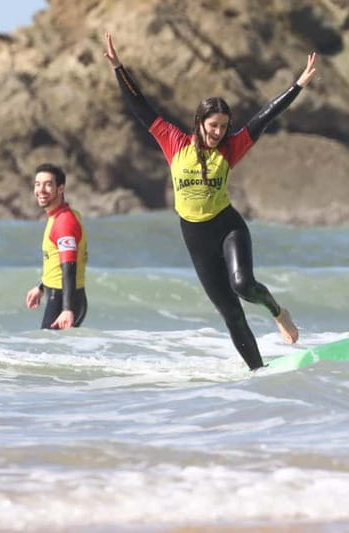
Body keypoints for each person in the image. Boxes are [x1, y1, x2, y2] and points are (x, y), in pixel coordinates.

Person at [103, 33, 316, 370]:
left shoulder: (231, 148)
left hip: (227, 227)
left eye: (224, 127)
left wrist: (298, 85)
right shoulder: (173, 142)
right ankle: (258, 373)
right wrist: (118, 68)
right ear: (200, 123)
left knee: (243, 285)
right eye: (213, 125)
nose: (218, 132)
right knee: (231, 313)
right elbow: (140, 106)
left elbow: (264, 118)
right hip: (195, 236)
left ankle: (278, 312)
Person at [25, 163, 89, 329]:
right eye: (37, 184)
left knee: (45, 345)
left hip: (62, 300)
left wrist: (67, 309)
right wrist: (41, 286)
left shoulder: (64, 222)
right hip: (68, 298)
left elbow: (69, 266)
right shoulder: (59, 216)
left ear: (60, 189)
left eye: (48, 184)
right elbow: (55, 261)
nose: (41, 190)